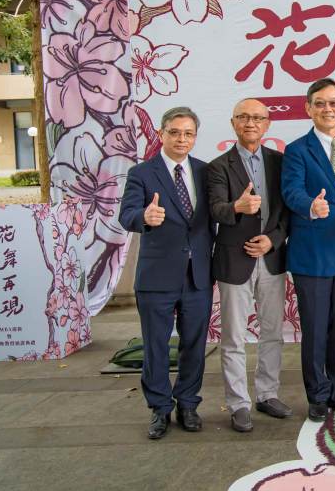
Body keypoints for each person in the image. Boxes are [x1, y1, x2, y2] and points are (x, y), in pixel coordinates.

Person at [118, 107, 214, 440]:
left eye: (188, 133)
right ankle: (159, 408)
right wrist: (144, 216)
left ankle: (188, 403)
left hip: (197, 276)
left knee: (194, 345)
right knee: (156, 346)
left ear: (195, 137)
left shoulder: (205, 172)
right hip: (156, 276)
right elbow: (127, 214)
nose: (181, 139)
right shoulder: (142, 173)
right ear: (161, 134)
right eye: (174, 132)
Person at [281, 78, 335, 421]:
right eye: (320, 103)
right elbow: (290, 191)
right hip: (313, 252)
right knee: (316, 330)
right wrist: (310, 206)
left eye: (334, 103)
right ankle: (317, 394)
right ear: (308, 108)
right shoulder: (297, 150)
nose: (328, 109)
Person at [207, 98, 291, 433]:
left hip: (271, 258)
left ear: (268, 123)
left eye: (257, 117)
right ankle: (239, 403)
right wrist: (237, 207)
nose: (250, 123)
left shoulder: (280, 162)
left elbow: (287, 212)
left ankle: (267, 394)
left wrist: (274, 239)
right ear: (233, 123)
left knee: (273, 333)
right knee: (233, 337)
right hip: (234, 260)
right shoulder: (218, 166)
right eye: (243, 117)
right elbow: (215, 209)